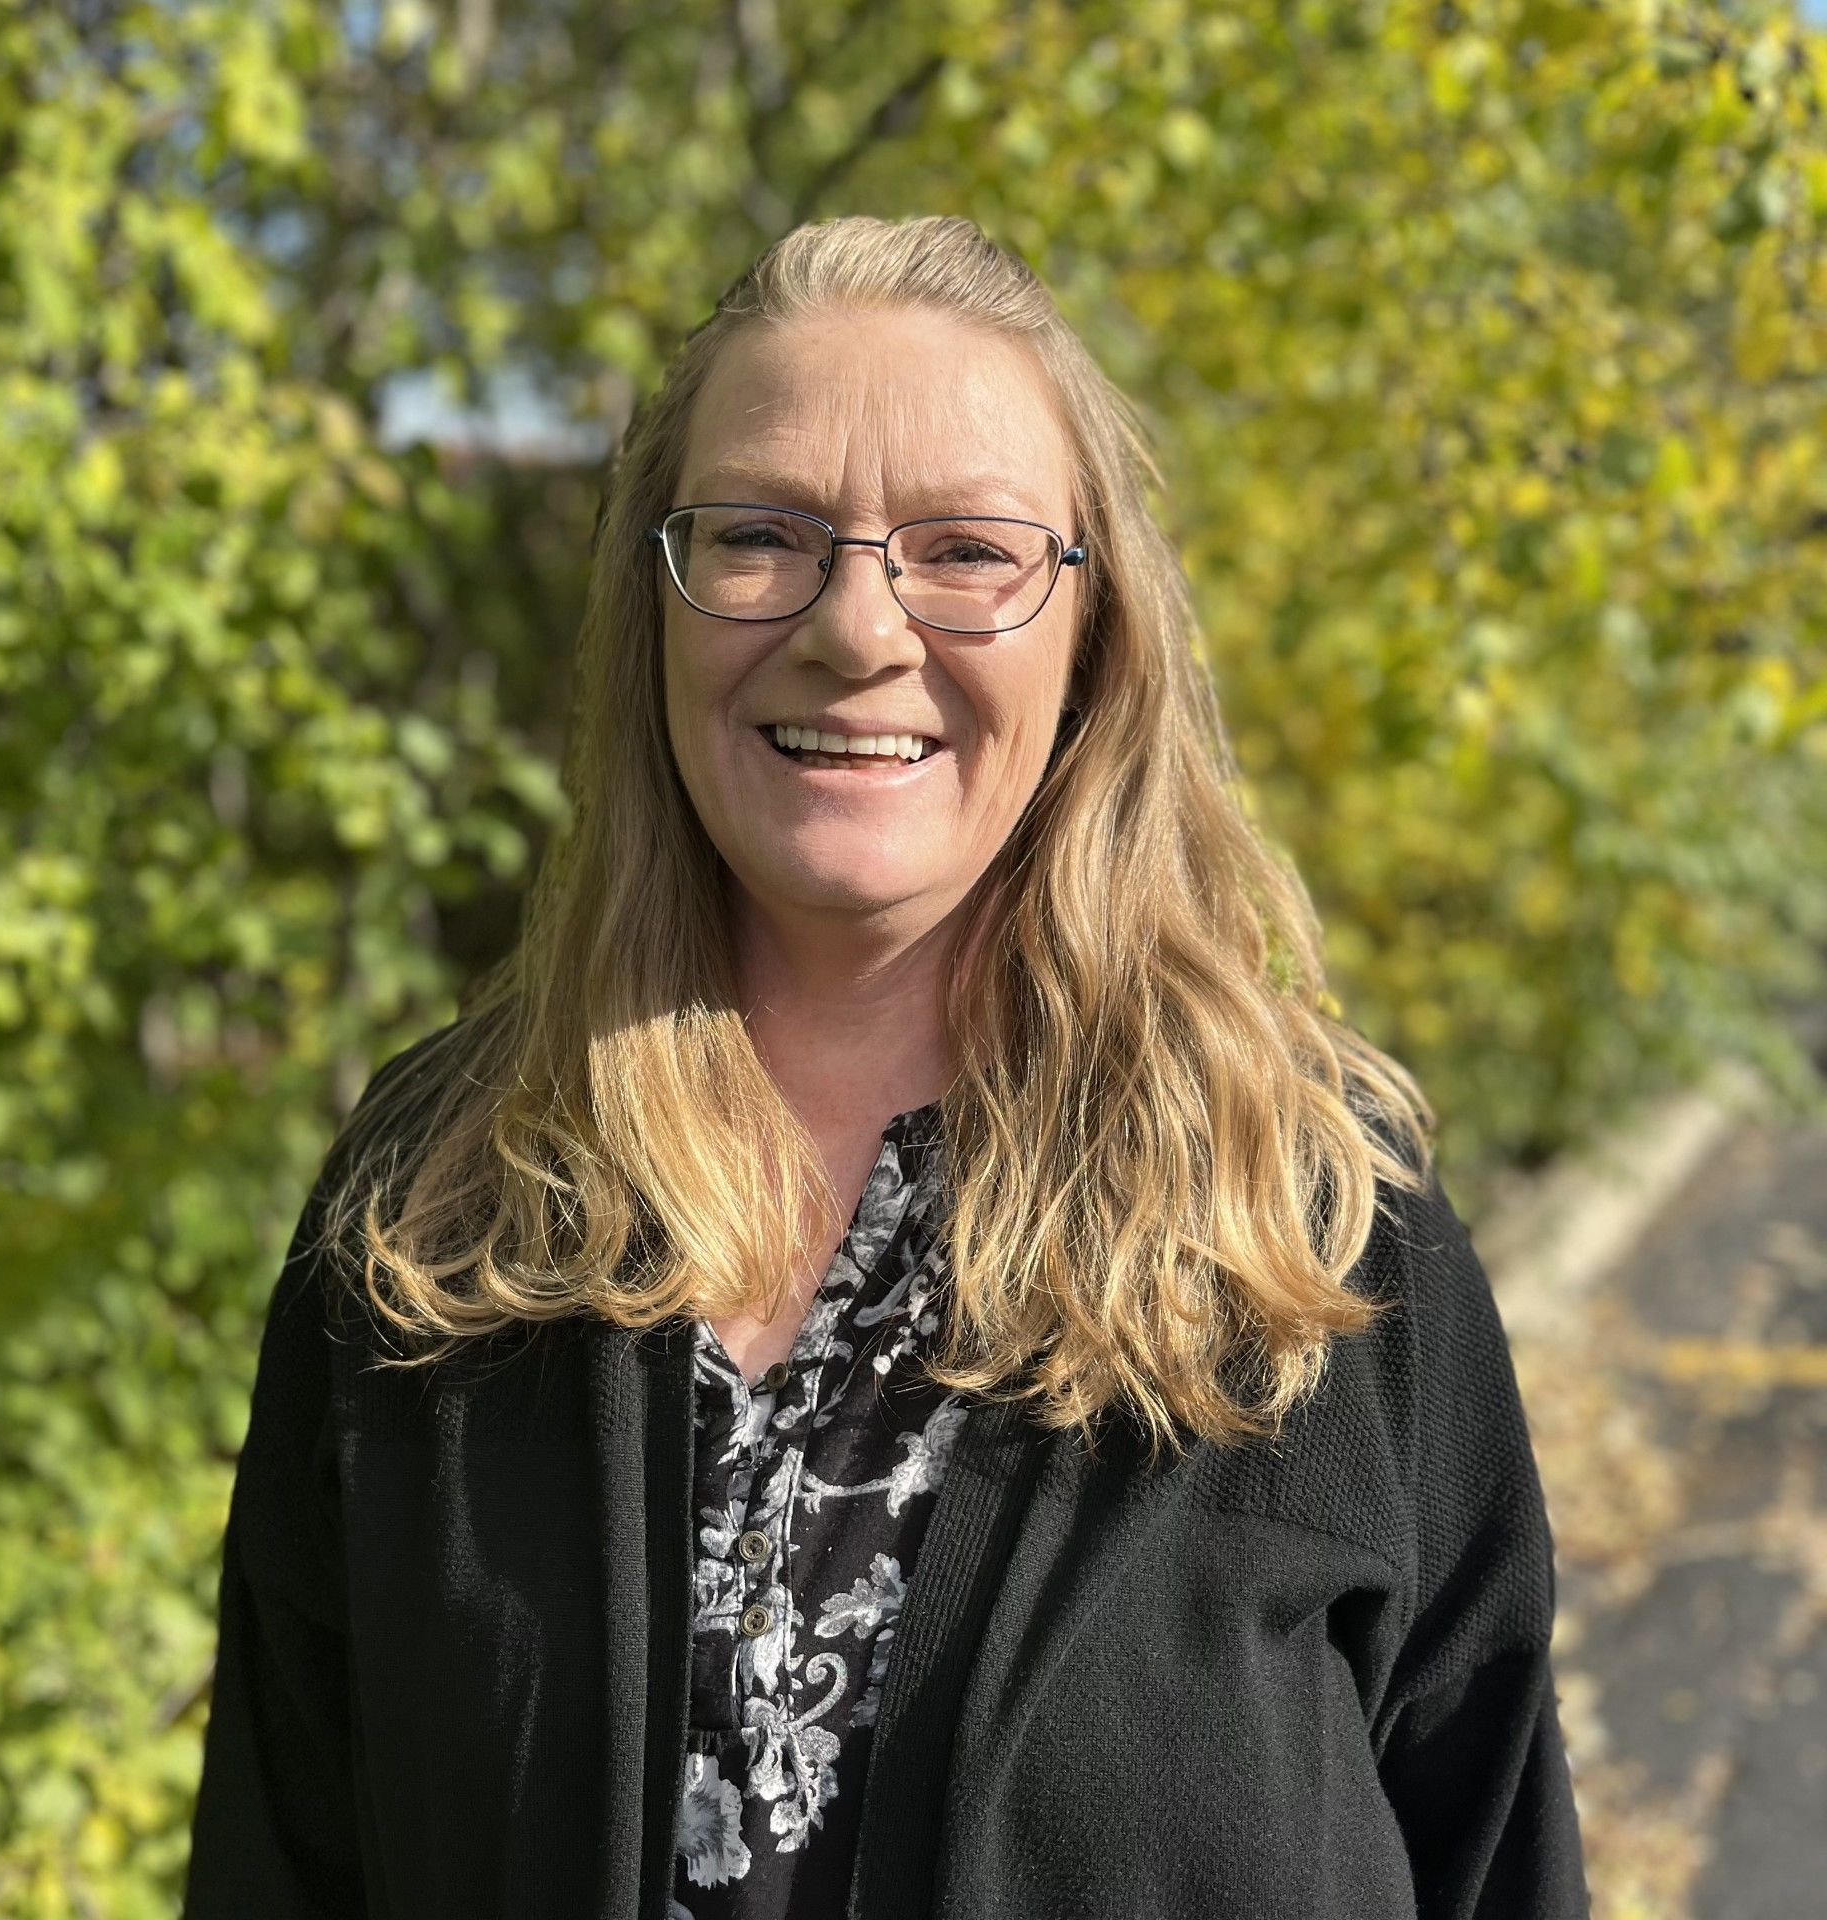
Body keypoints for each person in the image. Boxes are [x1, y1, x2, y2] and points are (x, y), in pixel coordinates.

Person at [182, 212, 1593, 1919]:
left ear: (1093, 637)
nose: (857, 628)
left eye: (966, 549)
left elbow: (1499, 1863)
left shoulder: (1312, 1226)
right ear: (657, 605)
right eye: (762, 536)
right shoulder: (435, 1207)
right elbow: (286, 1857)